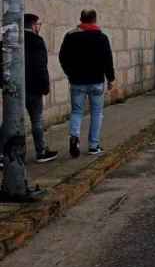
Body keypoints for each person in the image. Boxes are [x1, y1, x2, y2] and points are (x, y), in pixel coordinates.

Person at [58, 9, 116, 157]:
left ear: (81, 19)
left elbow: (62, 57)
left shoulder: (70, 36)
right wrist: (110, 79)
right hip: (96, 81)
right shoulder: (101, 37)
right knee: (97, 113)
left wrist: (70, 73)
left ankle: (74, 137)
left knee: (77, 111)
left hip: (77, 81)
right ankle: (94, 146)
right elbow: (107, 60)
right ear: (95, 20)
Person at [25, 14, 57, 163]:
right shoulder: (36, 41)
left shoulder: (11, 39)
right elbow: (40, 65)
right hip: (33, 86)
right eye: (38, 24)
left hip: (15, 88)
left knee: (9, 121)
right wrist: (45, 85)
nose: (39, 27)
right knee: (36, 120)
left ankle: (2, 153)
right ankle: (41, 151)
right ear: (33, 25)